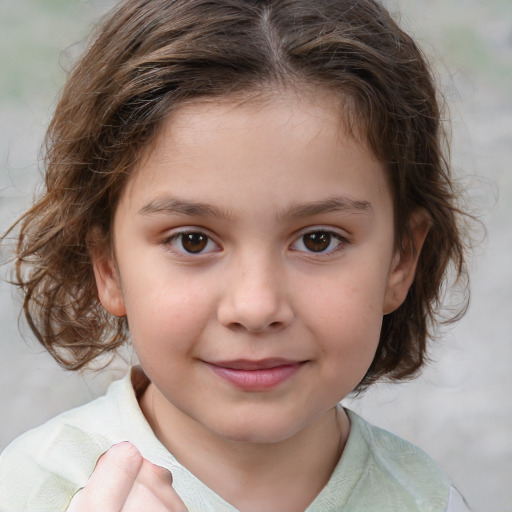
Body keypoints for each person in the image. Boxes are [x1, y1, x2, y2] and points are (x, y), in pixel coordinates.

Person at [0, 0, 473, 510]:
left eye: (318, 239)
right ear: (107, 265)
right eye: (193, 241)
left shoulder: (429, 500)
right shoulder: (29, 491)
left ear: (400, 259)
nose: (256, 307)